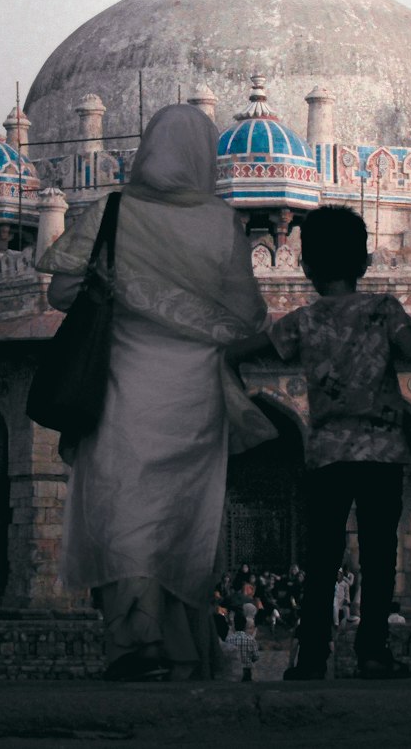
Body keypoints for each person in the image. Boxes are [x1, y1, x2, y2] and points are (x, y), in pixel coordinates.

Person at [38, 103, 277, 681]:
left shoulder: (111, 212)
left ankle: (134, 640)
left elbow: (62, 292)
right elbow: (249, 317)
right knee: (182, 518)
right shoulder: (222, 222)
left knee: (123, 510)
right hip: (193, 394)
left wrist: (121, 289)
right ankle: (186, 646)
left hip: (122, 383)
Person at [225, 205, 411, 681]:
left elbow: (239, 349)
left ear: (305, 268)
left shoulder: (303, 320)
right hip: (382, 453)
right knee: (380, 556)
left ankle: (312, 659)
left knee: (321, 560)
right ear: (364, 263)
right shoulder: (383, 310)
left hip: (325, 456)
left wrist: (221, 373)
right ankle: (372, 652)